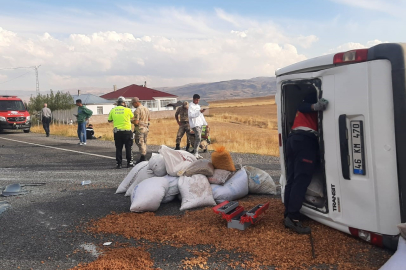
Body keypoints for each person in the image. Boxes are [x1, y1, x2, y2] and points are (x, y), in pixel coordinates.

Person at [284, 92, 328, 234]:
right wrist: (316, 106)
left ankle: (288, 213)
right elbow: (302, 106)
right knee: (301, 180)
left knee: (292, 179)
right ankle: (293, 218)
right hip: (304, 141)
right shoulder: (309, 103)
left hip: (293, 140)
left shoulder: (305, 112)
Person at [108, 96, 134, 169]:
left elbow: (109, 120)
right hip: (127, 131)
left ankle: (119, 163)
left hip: (117, 132)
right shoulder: (128, 110)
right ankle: (129, 163)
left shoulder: (113, 110)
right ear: (124, 103)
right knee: (128, 147)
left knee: (118, 148)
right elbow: (132, 117)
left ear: (117, 103)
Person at [131, 97, 150, 164]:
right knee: (144, 142)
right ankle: (144, 155)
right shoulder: (146, 109)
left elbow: (136, 122)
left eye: (133, 104)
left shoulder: (137, 110)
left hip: (140, 128)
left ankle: (143, 157)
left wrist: (130, 121)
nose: (133, 105)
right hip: (146, 127)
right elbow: (149, 119)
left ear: (136, 102)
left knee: (140, 142)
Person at [188, 94, 207, 159]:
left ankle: (196, 152)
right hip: (194, 124)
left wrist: (205, 123)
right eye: (197, 100)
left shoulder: (198, 106)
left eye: (198, 100)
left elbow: (201, 116)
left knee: (199, 138)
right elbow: (191, 115)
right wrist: (199, 112)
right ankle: (195, 152)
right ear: (194, 99)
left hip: (200, 123)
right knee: (198, 138)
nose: (198, 101)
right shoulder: (191, 106)